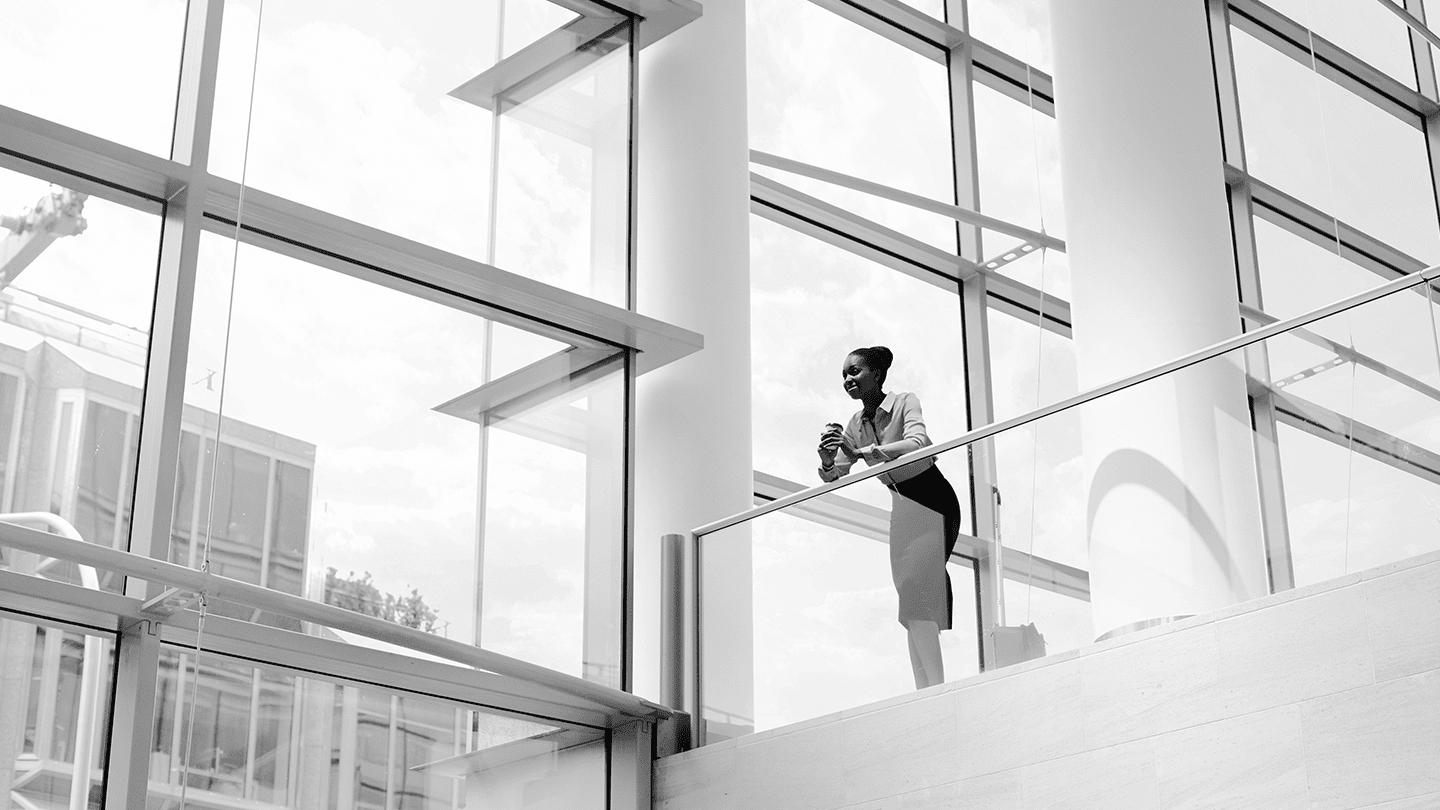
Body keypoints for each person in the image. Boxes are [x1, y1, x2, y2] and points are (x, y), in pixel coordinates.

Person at [817, 346, 961, 689]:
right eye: (844, 375)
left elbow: (918, 441)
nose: (848, 379)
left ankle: (938, 688)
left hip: (932, 498)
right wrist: (826, 459)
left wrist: (865, 452)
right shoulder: (855, 424)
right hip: (903, 508)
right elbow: (835, 473)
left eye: (855, 372)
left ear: (877, 374)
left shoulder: (903, 402)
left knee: (916, 591)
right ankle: (925, 690)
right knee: (909, 602)